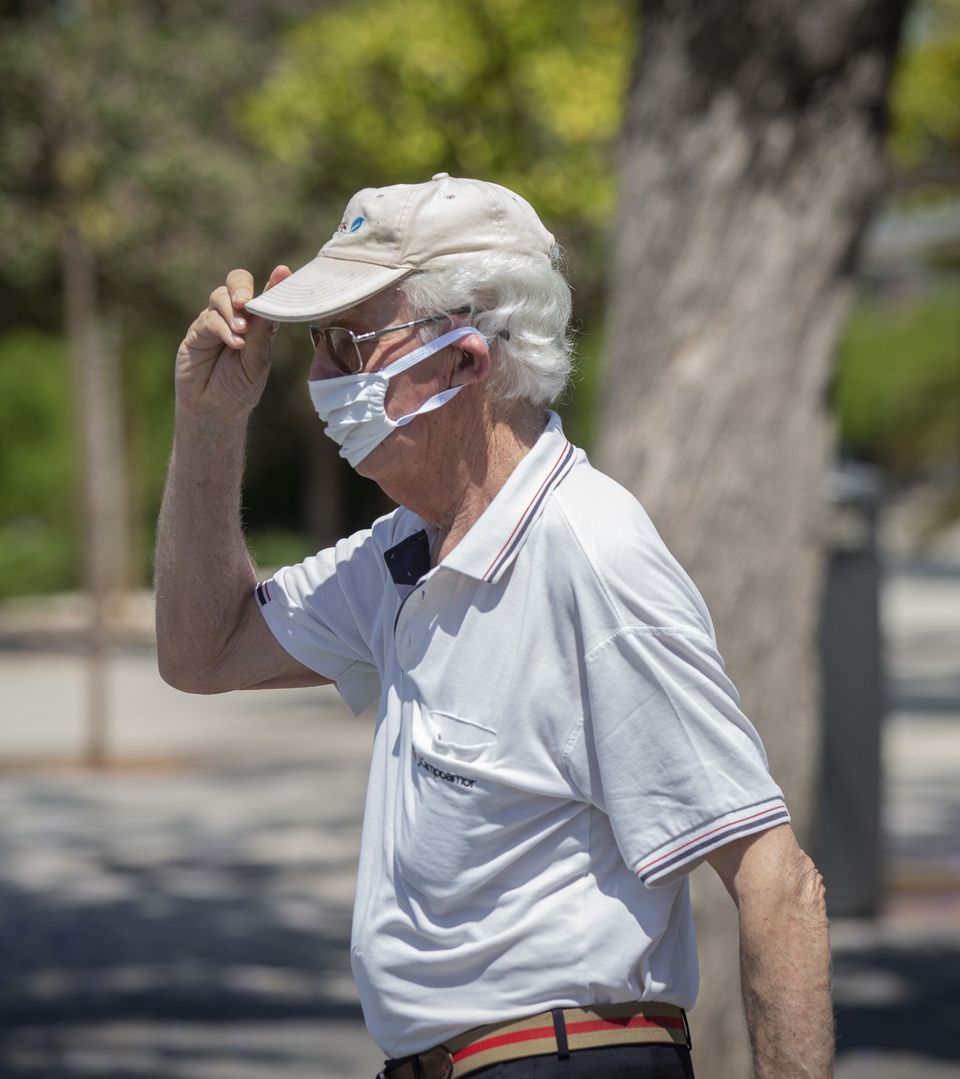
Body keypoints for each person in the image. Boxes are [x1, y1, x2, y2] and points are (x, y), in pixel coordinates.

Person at [155, 174, 832, 1079]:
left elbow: (776, 883)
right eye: (319, 342)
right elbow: (204, 650)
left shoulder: (588, 553)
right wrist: (208, 422)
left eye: (350, 341)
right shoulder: (408, 549)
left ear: (468, 361)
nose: (321, 378)